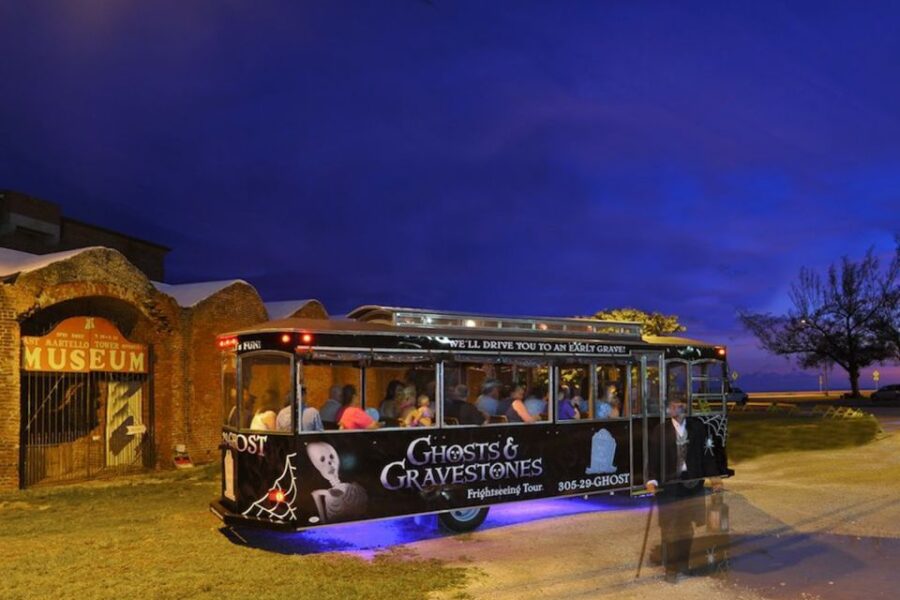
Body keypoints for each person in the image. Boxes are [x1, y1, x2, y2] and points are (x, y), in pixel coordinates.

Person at [646, 397, 707, 583]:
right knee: (669, 526)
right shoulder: (660, 431)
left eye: (680, 406)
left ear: (686, 408)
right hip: (669, 485)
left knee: (686, 527)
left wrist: (715, 477)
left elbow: (705, 454)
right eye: (673, 406)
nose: (676, 410)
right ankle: (670, 568)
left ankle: (684, 564)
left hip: (691, 483)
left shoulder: (697, 428)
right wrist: (651, 480)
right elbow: (653, 457)